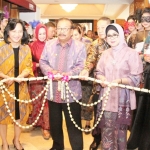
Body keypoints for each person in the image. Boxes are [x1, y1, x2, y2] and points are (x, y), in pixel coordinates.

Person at [39, 17, 86, 150]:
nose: (62, 31)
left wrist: (68, 75)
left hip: (72, 92)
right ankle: (57, 146)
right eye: (59, 28)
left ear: (71, 31)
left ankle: (77, 148)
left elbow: (81, 66)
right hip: (53, 92)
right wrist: (51, 71)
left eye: (65, 28)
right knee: (55, 124)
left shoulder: (80, 46)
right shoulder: (49, 44)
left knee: (74, 125)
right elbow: (43, 62)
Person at [95, 23, 143, 150]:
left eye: (115, 35)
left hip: (123, 99)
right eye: (109, 35)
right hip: (106, 98)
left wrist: (120, 80)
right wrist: (101, 79)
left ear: (121, 35)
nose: (112, 38)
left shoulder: (131, 54)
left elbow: (137, 77)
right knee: (106, 131)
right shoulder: (105, 54)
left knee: (120, 133)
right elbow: (98, 72)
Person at [0, 18, 33, 150]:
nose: (17, 34)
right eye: (14, 31)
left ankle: (17, 140)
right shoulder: (1, 48)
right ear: (8, 31)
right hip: (4, 87)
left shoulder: (26, 49)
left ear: (23, 33)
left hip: (21, 87)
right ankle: (4, 142)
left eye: (20, 31)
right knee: (2, 116)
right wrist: (5, 77)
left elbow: (28, 67)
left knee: (19, 116)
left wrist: (21, 76)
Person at [79, 16, 111, 150]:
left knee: (111, 117)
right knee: (99, 116)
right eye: (99, 27)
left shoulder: (117, 42)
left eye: (104, 27)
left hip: (115, 86)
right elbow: (91, 59)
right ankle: (97, 140)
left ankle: (110, 141)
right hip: (98, 86)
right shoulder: (94, 44)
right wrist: (86, 70)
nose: (101, 30)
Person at [27, 23, 50, 140]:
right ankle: (36, 122)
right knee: (36, 101)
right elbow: (27, 63)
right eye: (40, 33)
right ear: (36, 34)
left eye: (44, 33)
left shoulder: (50, 45)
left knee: (46, 103)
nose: (42, 36)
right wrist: (37, 64)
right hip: (35, 78)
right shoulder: (31, 46)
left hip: (48, 77)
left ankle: (45, 127)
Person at [72, 23, 93, 134]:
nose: (74, 37)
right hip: (74, 78)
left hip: (86, 77)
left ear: (81, 34)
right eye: (72, 35)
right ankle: (77, 122)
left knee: (86, 100)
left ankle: (88, 123)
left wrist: (86, 69)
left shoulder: (88, 44)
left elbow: (90, 59)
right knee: (76, 101)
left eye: (76, 34)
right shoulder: (70, 46)